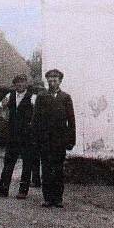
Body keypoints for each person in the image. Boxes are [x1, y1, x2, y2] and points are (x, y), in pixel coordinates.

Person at [31, 69, 75, 208]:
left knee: (58, 169)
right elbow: (35, 119)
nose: (52, 82)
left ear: (60, 81)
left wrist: (71, 140)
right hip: (45, 140)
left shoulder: (66, 98)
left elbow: (71, 120)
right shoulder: (41, 97)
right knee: (46, 168)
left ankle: (58, 198)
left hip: (60, 140)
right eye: (50, 80)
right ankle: (48, 198)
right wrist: (36, 140)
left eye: (55, 80)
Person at [0, 74, 37, 199]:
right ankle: (2, 190)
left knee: (27, 163)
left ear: (26, 84)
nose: (20, 85)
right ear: (14, 84)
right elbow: (1, 108)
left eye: (22, 83)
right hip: (12, 135)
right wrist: (2, 107)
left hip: (27, 136)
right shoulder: (9, 96)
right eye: (17, 83)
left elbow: (37, 113)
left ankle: (23, 191)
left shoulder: (32, 98)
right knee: (8, 162)